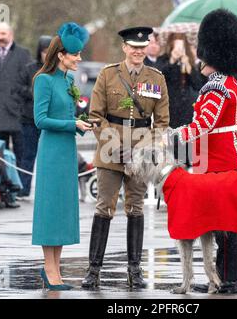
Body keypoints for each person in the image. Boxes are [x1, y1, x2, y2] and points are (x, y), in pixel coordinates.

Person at [170, 9, 237, 294]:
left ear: (209, 56)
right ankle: (230, 277)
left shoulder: (215, 89)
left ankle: (223, 278)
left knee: (219, 224)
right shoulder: (236, 86)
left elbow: (203, 124)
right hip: (235, 161)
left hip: (215, 164)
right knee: (233, 223)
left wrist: (172, 136)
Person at [82, 26, 169, 289]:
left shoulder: (156, 78)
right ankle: (93, 270)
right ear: (124, 48)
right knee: (104, 207)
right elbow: (95, 116)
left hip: (141, 154)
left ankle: (135, 270)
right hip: (111, 151)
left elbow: (162, 121)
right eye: (133, 47)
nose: (138, 52)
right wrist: (115, 146)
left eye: (143, 48)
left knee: (135, 208)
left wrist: (146, 150)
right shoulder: (108, 75)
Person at [32, 22, 94, 291]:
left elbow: (69, 116)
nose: (79, 58)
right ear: (61, 55)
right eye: (75, 54)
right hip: (51, 152)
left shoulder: (69, 80)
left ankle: (56, 267)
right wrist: (72, 125)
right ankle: (49, 269)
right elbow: (40, 119)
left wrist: (82, 122)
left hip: (67, 149)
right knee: (50, 209)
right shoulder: (43, 80)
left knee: (62, 210)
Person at [0, 22, 31, 166]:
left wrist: (19, 100)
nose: (0, 37)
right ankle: (3, 185)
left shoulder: (23, 54)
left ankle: (20, 186)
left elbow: (28, 81)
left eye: (3, 34)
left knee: (21, 154)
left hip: (17, 115)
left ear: (11, 35)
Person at [16, 35, 52, 199]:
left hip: (49, 120)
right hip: (29, 118)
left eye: (49, 51)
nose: (46, 55)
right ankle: (24, 188)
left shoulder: (56, 70)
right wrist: (33, 92)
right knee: (28, 155)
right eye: (44, 51)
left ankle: (48, 187)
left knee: (49, 156)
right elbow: (18, 88)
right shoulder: (29, 68)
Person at [161, 33, 204, 166]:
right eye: (176, 43)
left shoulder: (189, 59)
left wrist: (189, 67)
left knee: (186, 144)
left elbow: (198, 85)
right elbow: (160, 77)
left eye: (181, 43)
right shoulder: (165, 59)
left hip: (186, 111)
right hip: (171, 109)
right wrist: (173, 60)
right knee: (172, 144)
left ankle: (186, 169)